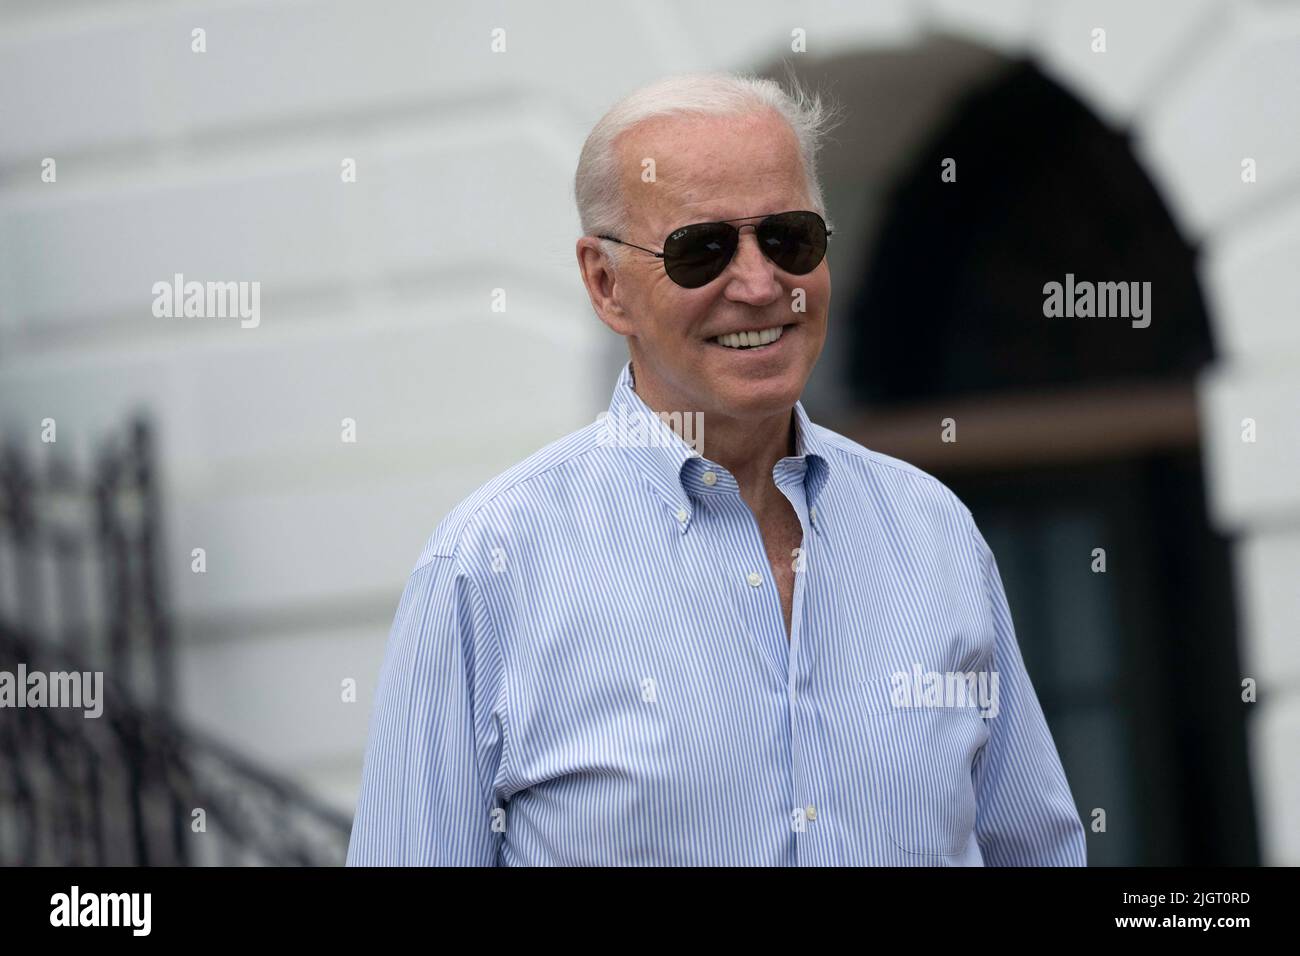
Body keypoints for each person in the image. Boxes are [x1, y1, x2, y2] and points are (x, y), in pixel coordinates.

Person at [346, 71, 1087, 866]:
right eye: (701, 250)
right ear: (606, 284)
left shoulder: (932, 531)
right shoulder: (487, 567)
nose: (762, 284)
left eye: (789, 238)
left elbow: (1035, 851)